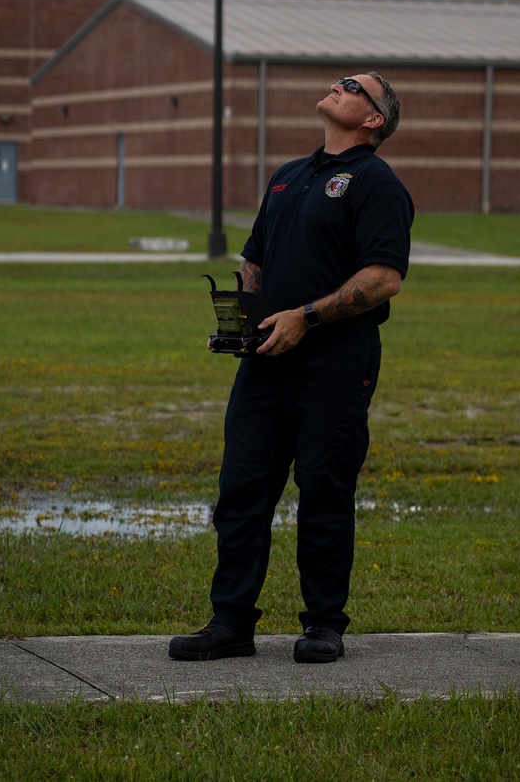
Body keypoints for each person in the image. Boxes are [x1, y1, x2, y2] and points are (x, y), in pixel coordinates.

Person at [169, 71, 414, 664]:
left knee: (325, 491)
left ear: (373, 119)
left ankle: (324, 625)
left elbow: (384, 278)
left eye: (353, 86)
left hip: (336, 362)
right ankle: (230, 624)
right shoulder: (288, 175)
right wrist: (242, 325)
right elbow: (254, 261)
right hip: (266, 362)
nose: (339, 86)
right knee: (242, 490)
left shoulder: (377, 183)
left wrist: (307, 315)